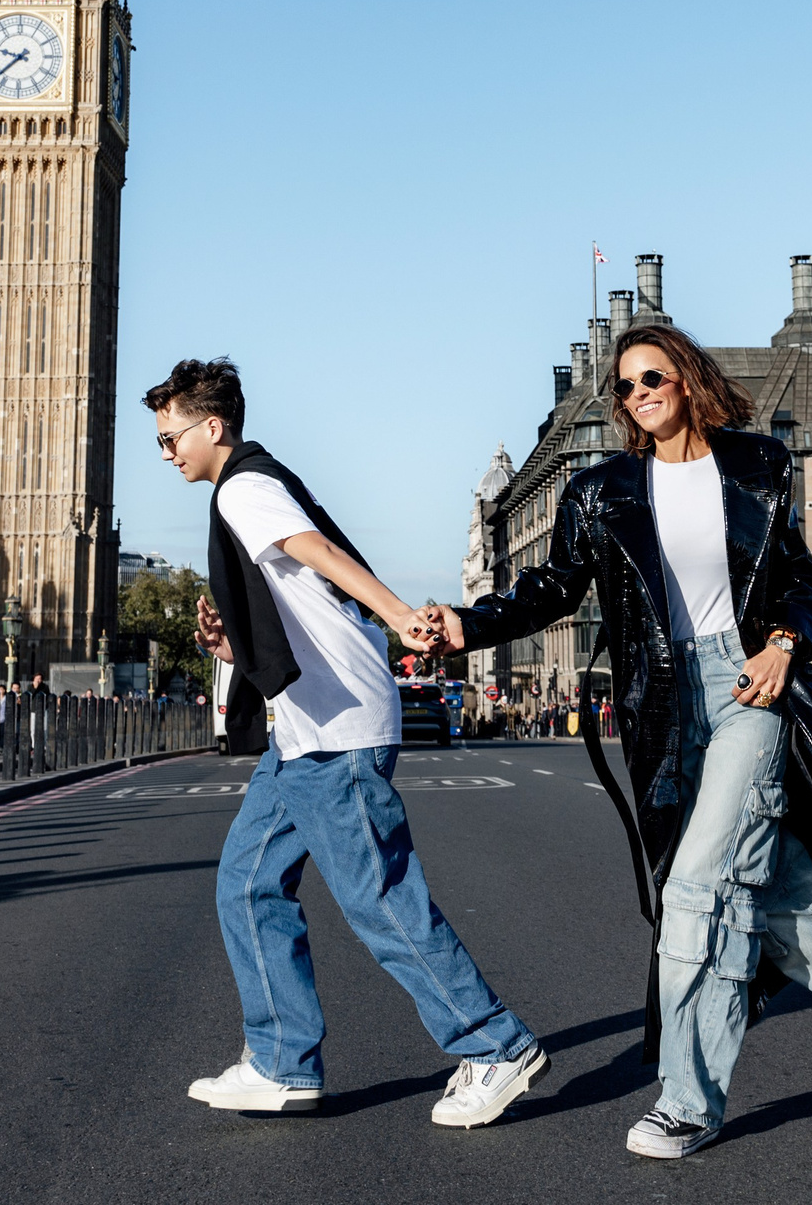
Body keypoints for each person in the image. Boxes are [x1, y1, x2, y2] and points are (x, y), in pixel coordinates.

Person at [426, 325, 812, 1156]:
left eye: (652, 377)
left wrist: (783, 643)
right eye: (625, 388)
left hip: (748, 683)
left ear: (688, 376)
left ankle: (687, 1099)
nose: (639, 395)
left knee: (700, 883)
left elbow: (803, 585)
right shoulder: (600, 491)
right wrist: (466, 624)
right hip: (663, 707)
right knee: (777, 877)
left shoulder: (757, 465)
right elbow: (552, 588)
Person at [146, 357, 548, 1129]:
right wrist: (235, 645)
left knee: (379, 897)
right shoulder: (253, 484)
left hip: (334, 731)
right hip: (302, 730)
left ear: (213, 426)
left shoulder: (244, 486)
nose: (167, 452)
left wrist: (401, 615)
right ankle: (280, 1063)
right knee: (248, 882)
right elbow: (307, 601)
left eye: (170, 437)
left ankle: (496, 1044)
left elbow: (320, 555)